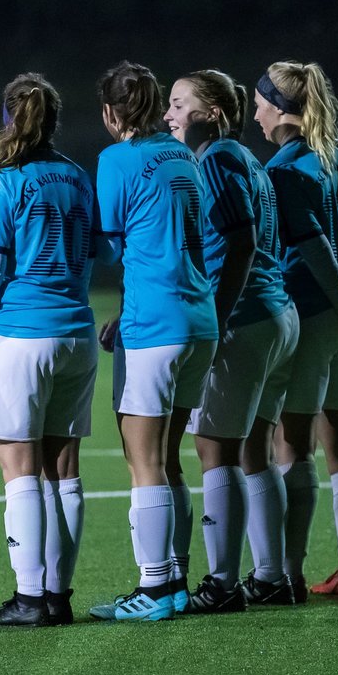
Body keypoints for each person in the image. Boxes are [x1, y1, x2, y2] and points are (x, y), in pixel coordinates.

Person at [0, 73, 96, 627]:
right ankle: (58, 596)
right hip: (77, 334)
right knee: (65, 470)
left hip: (22, 336)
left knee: (20, 469)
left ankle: (30, 598)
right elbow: (97, 251)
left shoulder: (3, 175)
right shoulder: (80, 177)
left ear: (9, 118)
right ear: (55, 122)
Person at [161, 70, 301, 612]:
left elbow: (239, 243)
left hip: (244, 320)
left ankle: (221, 584)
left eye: (179, 104)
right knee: (253, 451)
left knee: (213, 451)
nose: (168, 114)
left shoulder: (217, 159)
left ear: (213, 114)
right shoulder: (248, 162)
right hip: (276, 314)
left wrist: (216, 320)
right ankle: (271, 577)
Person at [88, 61, 218, 622]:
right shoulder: (183, 154)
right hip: (200, 319)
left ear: (111, 112)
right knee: (170, 459)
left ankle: (155, 589)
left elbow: (114, 243)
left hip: (154, 326)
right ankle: (179, 579)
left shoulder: (116, 159)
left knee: (142, 462)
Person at [255, 60, 338, 599]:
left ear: (281, 111)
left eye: (260, 104)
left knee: (294, 445)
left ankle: (287, 573)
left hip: (311, 316)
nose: (254, 114)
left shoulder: (284, 171)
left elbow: (315, 248)